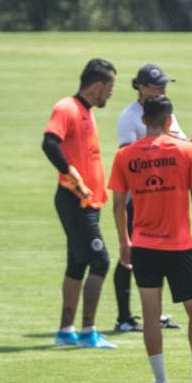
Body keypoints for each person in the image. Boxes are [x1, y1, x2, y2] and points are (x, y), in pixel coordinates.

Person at [109, 95, 192, 383]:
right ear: (168, 120)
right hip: (178, 246)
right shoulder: (186, 151)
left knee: (151, 315)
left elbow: (118, 205)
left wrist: (125, 241)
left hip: (144, 246)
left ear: (142, 120)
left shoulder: (125, 156)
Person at [111, 63, 192, 332]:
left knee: (149, 253)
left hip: (165, 192)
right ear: (141, 86)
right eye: (157, 85)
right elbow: (130, 155)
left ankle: (152, 313)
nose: (162, 89)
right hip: (141, 196)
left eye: (164, 85)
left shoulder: (164, 109)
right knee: (130, 254)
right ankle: (124, 317)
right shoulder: (129, 117)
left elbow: (179, 144)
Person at [44, 58, 118, 349]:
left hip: (89, 202)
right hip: (76, 201)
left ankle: (66, 331)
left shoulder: (86, 111)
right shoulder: (67, 108)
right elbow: (50, 143)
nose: (110, 94)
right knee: (100, 261)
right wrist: (72, 174)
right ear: (98, 85)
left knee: (76, 264)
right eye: (109, 87)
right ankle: (88, 331)